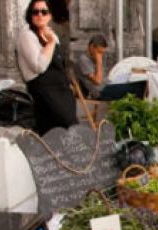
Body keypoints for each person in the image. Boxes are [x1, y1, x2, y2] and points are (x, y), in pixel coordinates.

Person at [17, 0, 77, 135]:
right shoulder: (27, 35)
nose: (40, 15)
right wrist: (49, 43)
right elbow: (39, 66)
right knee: (57, 132)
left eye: (44, 12)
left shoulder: (51, 33)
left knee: (71, 132)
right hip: (45, 93)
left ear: (50, 15)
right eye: (35, 12)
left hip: (62, 93)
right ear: (30, 15)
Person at [76, 34, 107, 98]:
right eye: (99, 52)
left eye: (102, 53)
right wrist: (99, 63)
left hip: (106, 87)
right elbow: (98, 81)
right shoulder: (83, 60)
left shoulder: (94, 58)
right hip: (99, 91)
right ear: (92, 47)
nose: (101, 55)